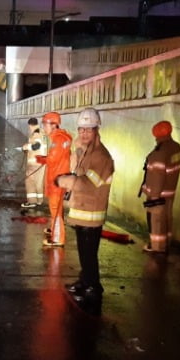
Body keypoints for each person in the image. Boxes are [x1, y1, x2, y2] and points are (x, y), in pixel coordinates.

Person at [55, 108, 114, 314]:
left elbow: (89, 184)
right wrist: (76, 153)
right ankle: (84, 280)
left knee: (89, 254)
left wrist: (66, 181)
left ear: (97, 129)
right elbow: (78, 170)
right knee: (83, 252)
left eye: (88, 130)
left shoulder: (101, 156)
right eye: (81, 129)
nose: (84, 133)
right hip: (82, 211)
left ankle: (93, 289)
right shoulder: (87, 152)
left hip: (92, 213)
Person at [139, 120, 180, 253]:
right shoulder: (176, 147)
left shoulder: (159, 153)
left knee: (156, 221)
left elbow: (157, 176)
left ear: (156, 135)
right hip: (170, 192)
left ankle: (157, 247)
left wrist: (153, 197)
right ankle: (166, 242)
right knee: (167, 218)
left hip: (157, 194)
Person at [36, 112, 72, 247]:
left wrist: (42, 159)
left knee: (55, 208)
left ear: (53, 125)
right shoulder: (63, 137)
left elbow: (52, 159)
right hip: (60, 177)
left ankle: (57, 239)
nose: (43, 127)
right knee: (57, 208)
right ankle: (55, 229)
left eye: (45, 124)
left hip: (56, 179)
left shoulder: (58, 140)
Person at [21, 117, 48, 208]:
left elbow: (36, 146)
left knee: (29, 181)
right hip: (41, 162)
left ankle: (32, 202)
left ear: (30, 125)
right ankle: (40, 201)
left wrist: (26, 147)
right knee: (39, 183)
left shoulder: (36, 134)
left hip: (35, 163)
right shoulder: (42, 133)